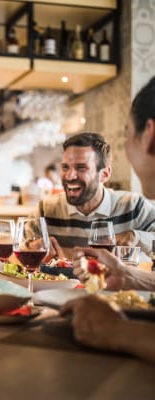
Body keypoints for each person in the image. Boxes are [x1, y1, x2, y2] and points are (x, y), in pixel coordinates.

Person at [61, 76, 155, 362]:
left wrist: (117, 331)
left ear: (149, 136)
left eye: (126, 135)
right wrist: (128, 275)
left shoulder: (136, 205)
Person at [32, 132, 155, 259]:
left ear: (105, 174)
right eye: (65, 167)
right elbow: (21, 248)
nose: (70, 176)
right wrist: (32, 247)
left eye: (81, 168)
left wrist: (136, 236)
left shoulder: (133, 206)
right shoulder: (45, 209)